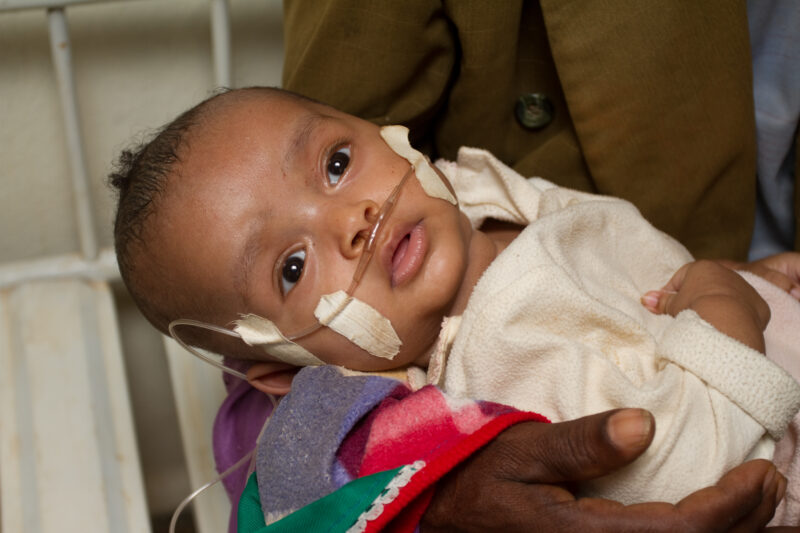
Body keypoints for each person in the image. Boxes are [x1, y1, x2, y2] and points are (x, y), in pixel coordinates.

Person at [109, 87, 799, 528]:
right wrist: (725, 302)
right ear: (286, 374)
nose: (353, 217)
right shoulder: (494, 365)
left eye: (337, 163)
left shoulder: (483, 192)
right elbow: (698, 467)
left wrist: (750, 279)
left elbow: (631, 274)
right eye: (292, 265)